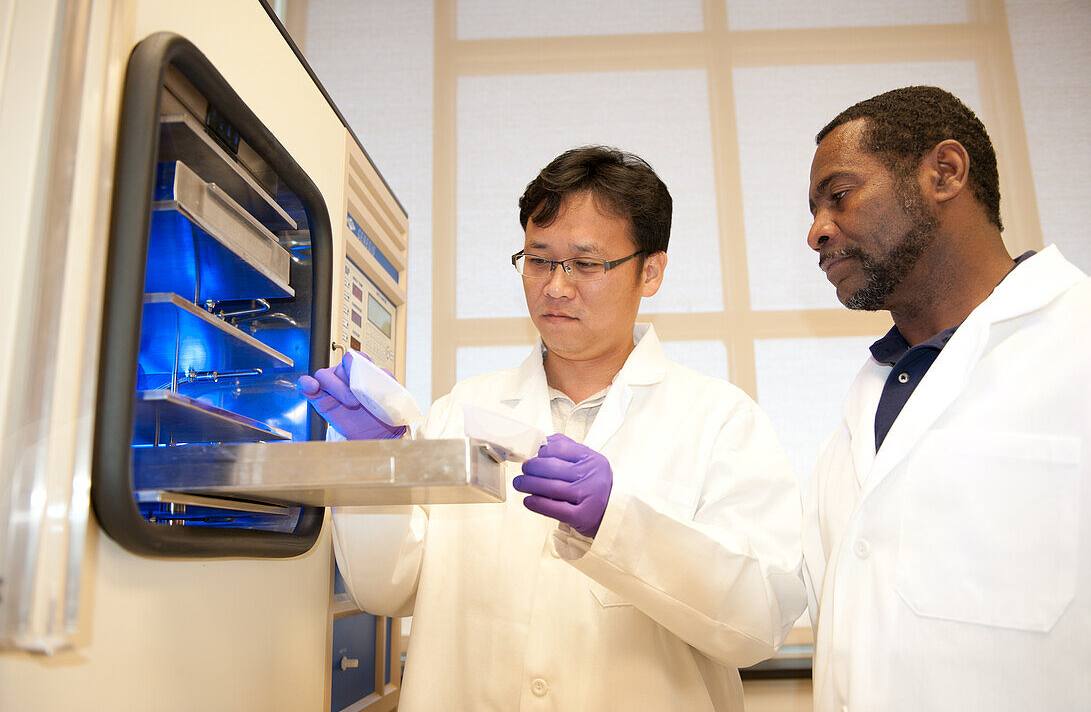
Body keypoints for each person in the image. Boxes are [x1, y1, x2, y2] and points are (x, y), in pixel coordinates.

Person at [299, 146, 806, 710]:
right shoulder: (462, 408)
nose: (556, 287)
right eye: (538, 260)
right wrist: (380, 464)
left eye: (586, 264)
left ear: (652, 270)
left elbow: (758, 624)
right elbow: (383, 589)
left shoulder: (720, 420)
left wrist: (619, 524)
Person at [802, 86, 1091, 711]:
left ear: (945, 173)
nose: (816, 232)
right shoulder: (861, 412)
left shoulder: (1086, 336)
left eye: (839, 195)